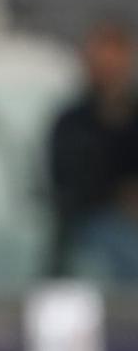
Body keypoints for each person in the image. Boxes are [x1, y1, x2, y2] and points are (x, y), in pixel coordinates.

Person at [49, 19, 138, 279]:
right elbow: (68, 181)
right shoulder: (72, 121)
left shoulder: (132, 116)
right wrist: (119, 197)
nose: (109, 65)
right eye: (102, 56)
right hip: (90, 220)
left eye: (116, 56)